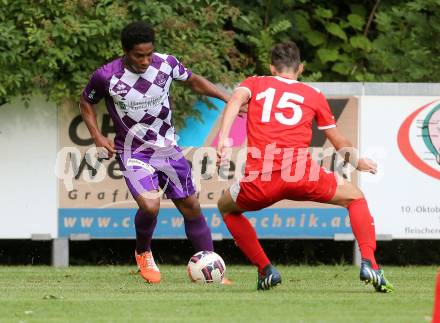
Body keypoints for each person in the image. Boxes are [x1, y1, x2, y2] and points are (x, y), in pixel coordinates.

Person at [216, 41, 394, 292]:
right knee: (355, 198)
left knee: (225, 207)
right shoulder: (313, 94)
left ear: (271, 67)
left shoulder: (255, 83)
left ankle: (265, 269)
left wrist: (224, 137)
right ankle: (371, 265)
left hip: (261, 179)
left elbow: (235, 99)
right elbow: (338, 141)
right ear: (300, 68)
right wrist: (358, 161)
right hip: (302, 175)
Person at [80, 21, 231, 284]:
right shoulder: (106, 76)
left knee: (192, 206)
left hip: (167, 149)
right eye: (139, 55)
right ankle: (143, 252)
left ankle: (211, 268)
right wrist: (96, 135)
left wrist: (228, 98)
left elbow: (194, 81)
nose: (146, 60)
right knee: (150, 205)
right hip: (133, 151)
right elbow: (86, 101)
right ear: (125, 51)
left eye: (149, 54)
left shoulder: (166, 64)